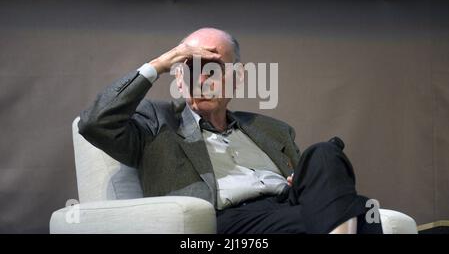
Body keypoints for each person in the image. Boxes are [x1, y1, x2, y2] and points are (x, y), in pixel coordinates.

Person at [78, 27, 382, 234]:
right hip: (230, 220)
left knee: (325, 153)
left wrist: (298, 181)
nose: (203, 78)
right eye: (192, 68)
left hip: (287, 206)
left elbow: (313, 186)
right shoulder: (156, 121)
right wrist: (161, 63)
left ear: (236, 78)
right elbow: (95, 122)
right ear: (179, 80)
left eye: (214, 68)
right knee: (359, 215)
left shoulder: (273, 130)